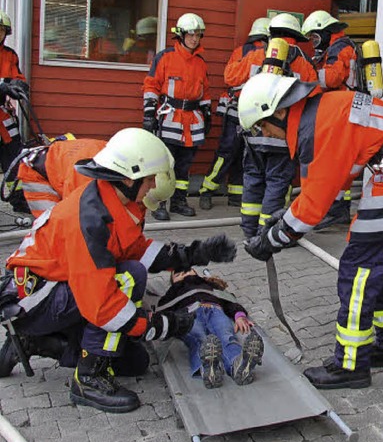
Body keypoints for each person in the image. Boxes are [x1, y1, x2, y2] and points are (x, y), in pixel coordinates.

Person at [238, 73, 383, 390]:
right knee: (379, 276)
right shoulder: (326, 108)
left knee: (356, 274)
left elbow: (316, 202)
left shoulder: (322, 124)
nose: (267, 135)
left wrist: (273, 239)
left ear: (278, 110)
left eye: (263, 126)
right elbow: (333, 177)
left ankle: (351, 365)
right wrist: (286, 215)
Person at [0, 128, 237, 413]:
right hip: (33, 301)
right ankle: (88, 379)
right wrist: (165, 325)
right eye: (149, 179)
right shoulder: (89, 221)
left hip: (49, 293)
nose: (152, 186)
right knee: (128, 277)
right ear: (128, 178)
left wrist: (193, 254)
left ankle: (39, 344)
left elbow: (137, 249)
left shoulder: (106, 199)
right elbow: (103, 307)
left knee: (135, 362)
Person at [239, 13, 318, 239]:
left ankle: (248, 229)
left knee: (253, 179)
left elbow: (233, 79)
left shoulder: (256, 56)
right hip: (283, 134)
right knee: (277, 182)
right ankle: (267, 231)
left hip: (255, 131)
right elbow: (315, 97)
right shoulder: (303, 61)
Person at [143, 12, 212, 220]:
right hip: (170, 117)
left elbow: (205, 91)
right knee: (165, 163)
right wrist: (148, 113)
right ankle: (159, 203)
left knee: (184, 165)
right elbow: (151, 85)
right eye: (191, 34)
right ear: (181, 35)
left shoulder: (200, 63)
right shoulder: (165, 57)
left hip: (192, 119)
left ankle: (179, 201)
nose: (194, 39)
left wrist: (207, 113)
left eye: (198, 35)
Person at [198, 17, 271, 210]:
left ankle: (234, 193)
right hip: (240, 109)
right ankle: (207, 189)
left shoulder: (246, 51)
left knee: (240, 153)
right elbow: (230, 77)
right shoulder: (246, 52)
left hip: (251, 110)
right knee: (230, 151)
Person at [156, 268, 264, 388]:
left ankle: (238, 364)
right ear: (173, 282)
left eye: (187, 271)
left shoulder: (208, 285)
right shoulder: (173, 291)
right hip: (188, 316)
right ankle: (207, 368)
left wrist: (239, 315)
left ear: (196, 273)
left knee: (226, 336)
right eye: (178, 274)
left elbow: (228, 301)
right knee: (199, 340)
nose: (184, 273)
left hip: (215, 310)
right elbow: (164, 309)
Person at [301, 10, 359, 229]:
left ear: (326, 32)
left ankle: (335, 210)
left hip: (343, 111)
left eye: (315, 37)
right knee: (335, 162)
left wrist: (306, 74)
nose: (314, 43)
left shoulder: (340, 48)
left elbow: (332, 78)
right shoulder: (333, 48)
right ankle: (336, 209)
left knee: (334, 162)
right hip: (341, 110)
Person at [12, 136, 107, 218]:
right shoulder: (83, 183)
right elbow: (76, 217)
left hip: (62, 158)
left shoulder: (110, 155)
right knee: (50, 222)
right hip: (35, 172)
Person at [0, 10, 30, 214]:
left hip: (3, 116)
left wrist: (19, 86)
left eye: (1, 31)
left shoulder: (9, 55)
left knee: (15, 158)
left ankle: (19, 202)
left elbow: (17, 77)